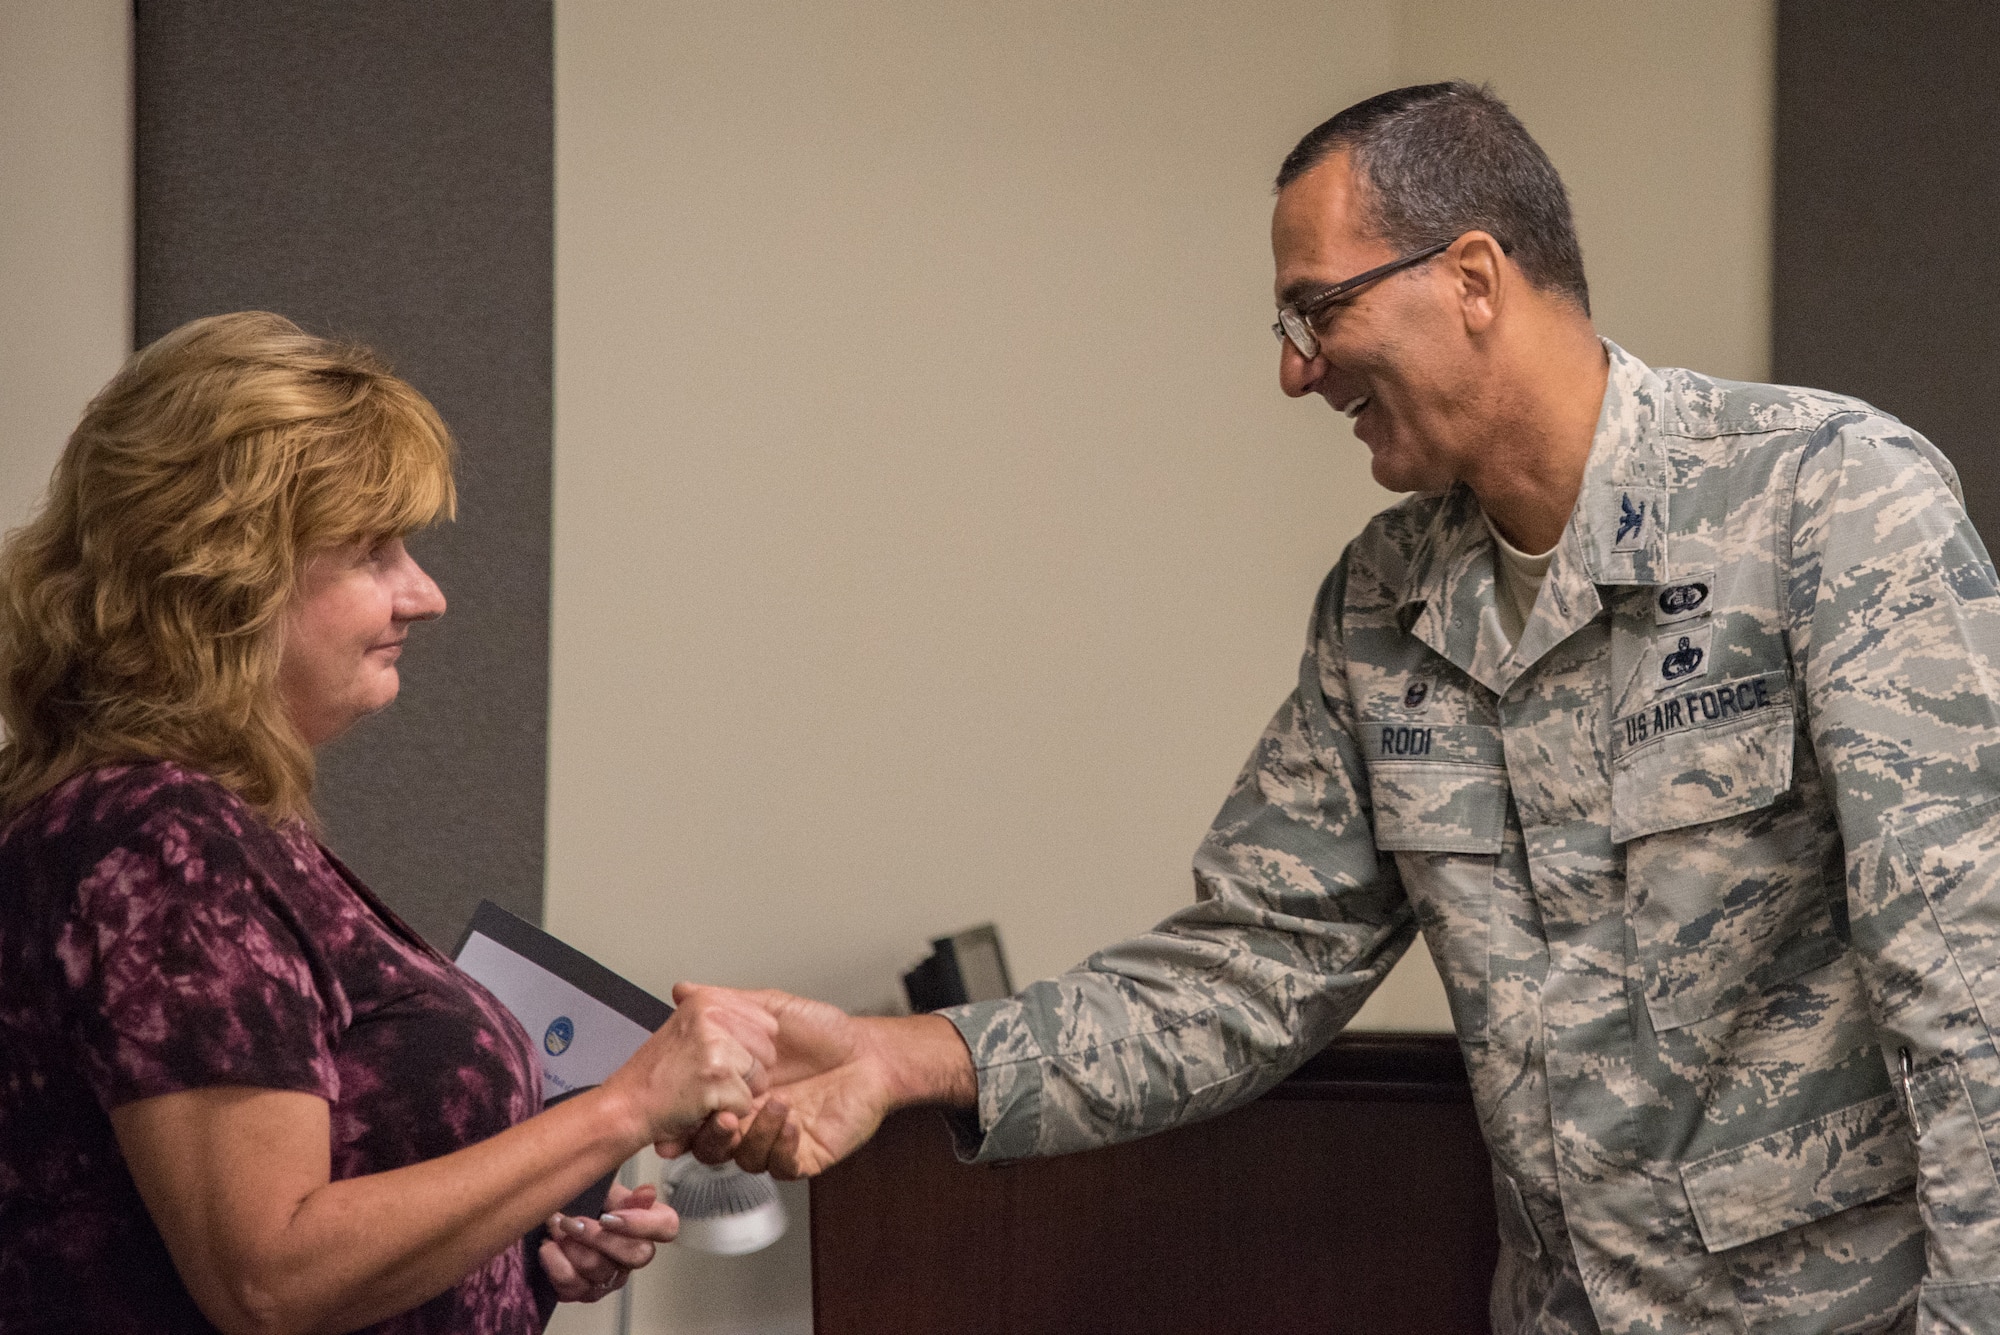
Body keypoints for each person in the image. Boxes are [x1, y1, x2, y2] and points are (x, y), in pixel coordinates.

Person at [696, 83, 2000, 1334]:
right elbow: (1251, 965)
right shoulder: (1385, 606)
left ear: (1473, 278)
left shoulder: (1831, 506)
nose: (1296, 370)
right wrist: (900, 1054)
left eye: (1316, 310)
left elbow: (1969, 987)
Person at [0, 311, 775, 1333]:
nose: (427, 594)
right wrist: (625, 1107)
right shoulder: (158, 846)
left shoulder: (205, 823)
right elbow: (268, 1275)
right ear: (222, 578)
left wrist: (519, 1255)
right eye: (371, 551)